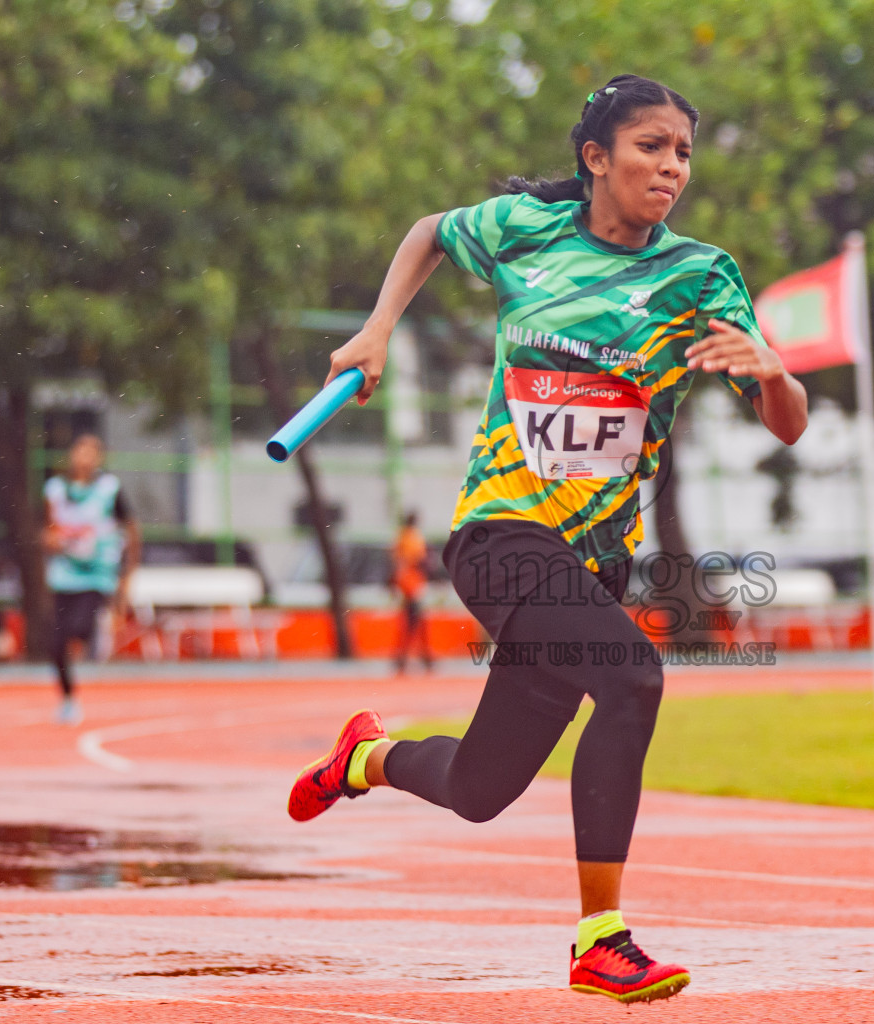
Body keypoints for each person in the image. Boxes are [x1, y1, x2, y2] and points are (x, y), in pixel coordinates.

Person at [286, 74, 807, 1004]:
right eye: (652, 146)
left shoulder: (701, 275)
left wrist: (772, 373)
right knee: (636, 677)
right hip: (501, 533)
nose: (672, 168)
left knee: (482, 788)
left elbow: (789, 426)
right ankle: (600, 939)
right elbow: (430, 233)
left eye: (684, 152)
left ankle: (363, 756)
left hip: (594, 564)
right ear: (596, 158)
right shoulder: (526, 233)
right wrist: (376, 332)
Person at [41, 434, 140, 725]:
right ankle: (68, 699)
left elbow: (132, 529)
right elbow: (47, 530)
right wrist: (53, 540)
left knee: (79, 628)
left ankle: (94, 632)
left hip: (98, 574)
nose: (84, 457)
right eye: (79, 451)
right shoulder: (56, 490)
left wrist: (127, 575)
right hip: (64, 575)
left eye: (91, 452)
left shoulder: (110, 489)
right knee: (55, 643)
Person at [391, 511, 434, 674]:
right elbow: (419, 558)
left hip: (406, 583)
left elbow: (396, 560)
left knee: (412, 623)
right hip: (413, 584)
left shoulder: (401, 536)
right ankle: (422, 657)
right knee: (416, 622)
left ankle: (407, 658)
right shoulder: (413, 537)